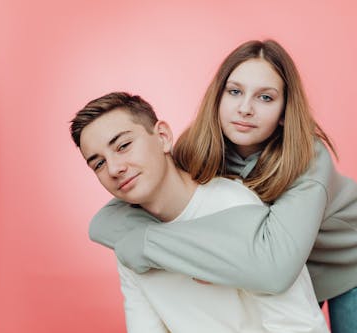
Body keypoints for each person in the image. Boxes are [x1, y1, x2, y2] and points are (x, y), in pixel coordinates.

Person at [88, 40, 357, 333]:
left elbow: (276, 268)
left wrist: (178, 254)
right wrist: (200, 255)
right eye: (235, 92)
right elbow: (107, 222)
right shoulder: (196, 148)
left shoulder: (308, 160)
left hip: (346, 261)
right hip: (287, 274)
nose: (245, 108)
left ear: (285, 111)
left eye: (265, 97)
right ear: (218, 97)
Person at [70, 92, 330, 333]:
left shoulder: (231, 204)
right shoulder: (128, 237)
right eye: (99, 163)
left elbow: (298, 325)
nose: (114, 168)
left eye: (123, 145)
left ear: (162, 136)